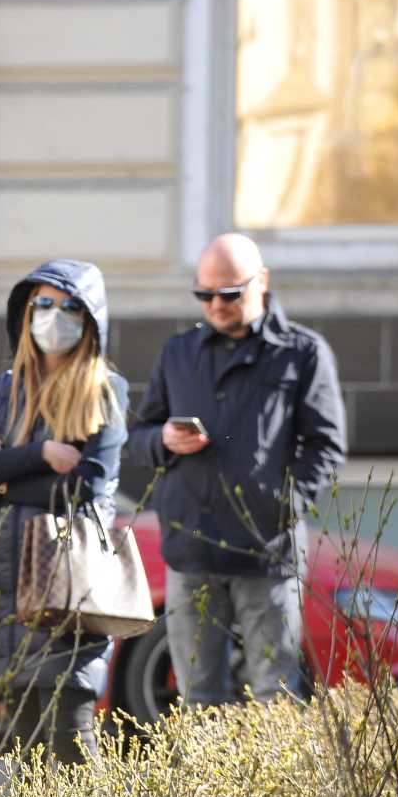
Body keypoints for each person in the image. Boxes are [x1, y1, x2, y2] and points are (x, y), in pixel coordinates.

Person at [129, 233, 346, 706]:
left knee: (277, 695)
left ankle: (278, 785)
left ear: (261, 282)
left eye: (229, 293)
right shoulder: (179, 353)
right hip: (192, 547)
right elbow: (137, 437)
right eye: (204, 294)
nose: (216, 304)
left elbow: (326, 446)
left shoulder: (301, 352)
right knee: (197, 696)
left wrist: (281, 508)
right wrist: (163, 439)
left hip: (265, 553)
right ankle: (204, 784)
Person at [0, 259, 129, 764]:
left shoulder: (105, 389)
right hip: (9, 582)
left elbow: (89, 484)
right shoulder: (5, 387)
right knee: (23, 749)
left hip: (71, 582)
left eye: (70, 307)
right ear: (26, 313)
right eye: (44, 305)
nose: (55, 317)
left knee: (72, 738)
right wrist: (40, 456)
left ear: (90, 319)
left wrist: (6, 474)